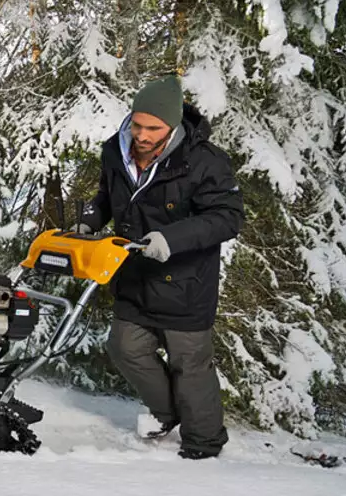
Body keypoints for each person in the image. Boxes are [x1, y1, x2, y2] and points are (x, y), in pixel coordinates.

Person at [76, 76, 244, 459]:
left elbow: (227, 217)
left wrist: (172, 239)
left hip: (185, 281)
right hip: (134, 275)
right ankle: (170, 414)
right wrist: (90, 220)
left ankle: (204, 444)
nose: (142, 135)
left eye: (153, 128)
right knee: (124, 347)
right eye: (137, 124)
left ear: (172, 125)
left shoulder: (204, 162)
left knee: (190, 365)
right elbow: (107, 196)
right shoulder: (114, 152)